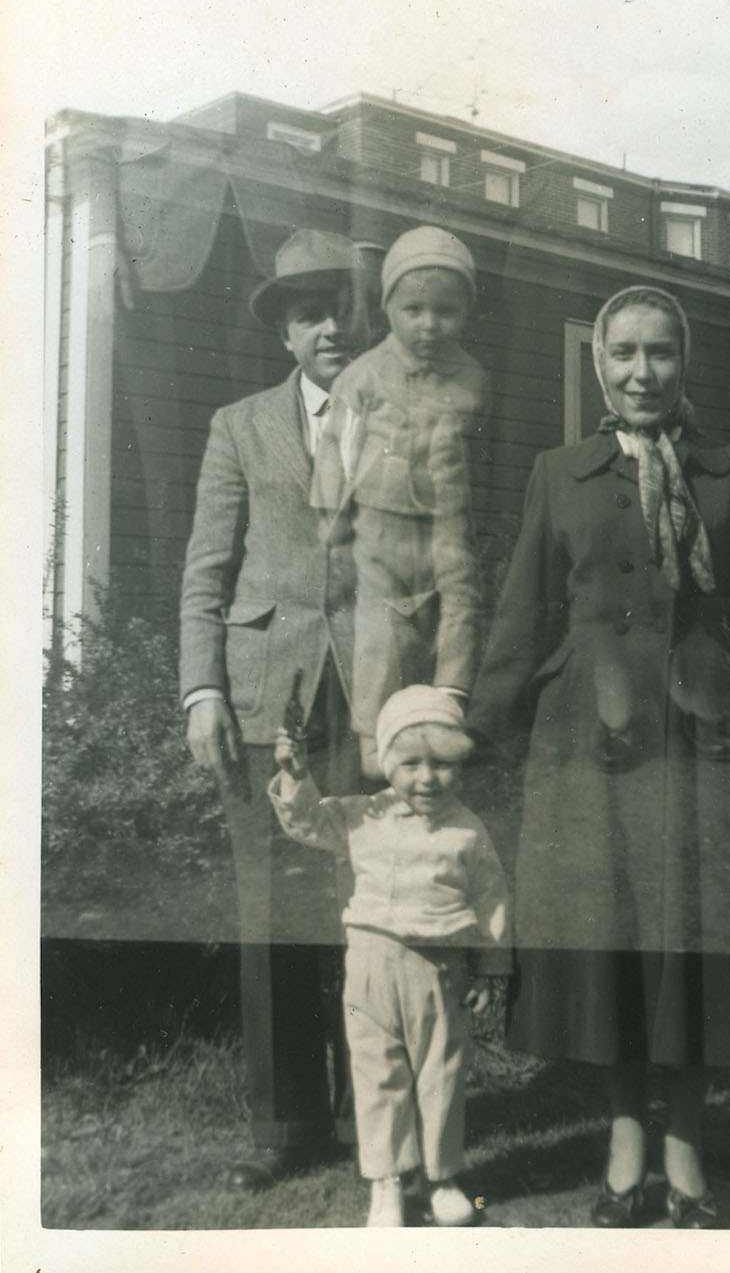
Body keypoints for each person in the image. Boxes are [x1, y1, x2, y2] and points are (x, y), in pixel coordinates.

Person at [467, 285, 730, 1229]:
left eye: (660, 353)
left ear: (683, 363)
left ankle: (685, 1145)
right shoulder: (559, 472)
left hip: (701, 740)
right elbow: (521, 616)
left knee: (692, 943)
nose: (642, 372)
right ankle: (623, 1143)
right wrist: (471, 735)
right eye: (624, 353)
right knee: (608, 942)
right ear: (599, 364)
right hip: (587, 740)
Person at [180, 228, 370, 1190]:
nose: (329, 326)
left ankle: (378, 1117)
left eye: (341, 308)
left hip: (372, 695)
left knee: (372, 906)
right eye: (308, 314)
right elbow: (206, 571)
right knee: (274, 909)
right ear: (286, 334)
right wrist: (203, 688)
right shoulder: (240, 425)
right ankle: (284, 1125)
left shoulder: (402, 420)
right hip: (267, 696)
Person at [269, 684, 511, 1228]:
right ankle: (387, 1182)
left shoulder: (467, 830)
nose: (426, 778)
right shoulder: (362, 815)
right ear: (385, 762)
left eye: (442, 764)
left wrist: (490, 967)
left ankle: (442, 1178)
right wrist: (295, 774)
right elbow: (306, 823)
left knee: (441, 1074)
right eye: (410, 764)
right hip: (371, 967)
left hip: (440, 970)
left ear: (459, 765)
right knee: (378, 1074)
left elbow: (492, 899)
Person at [311, 226, 488, 777]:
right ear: (389, 307)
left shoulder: (472, 379)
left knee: (458, 603)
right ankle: (372, 734)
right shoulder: (363, 376)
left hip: (447, 521)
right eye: (414, 310)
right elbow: (336, 450)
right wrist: (331, 520)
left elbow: (480, 454)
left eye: (445, 311)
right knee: (379, 625)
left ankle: (449, 703)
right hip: (379, 523)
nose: (429, 324)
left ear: (465, 313)